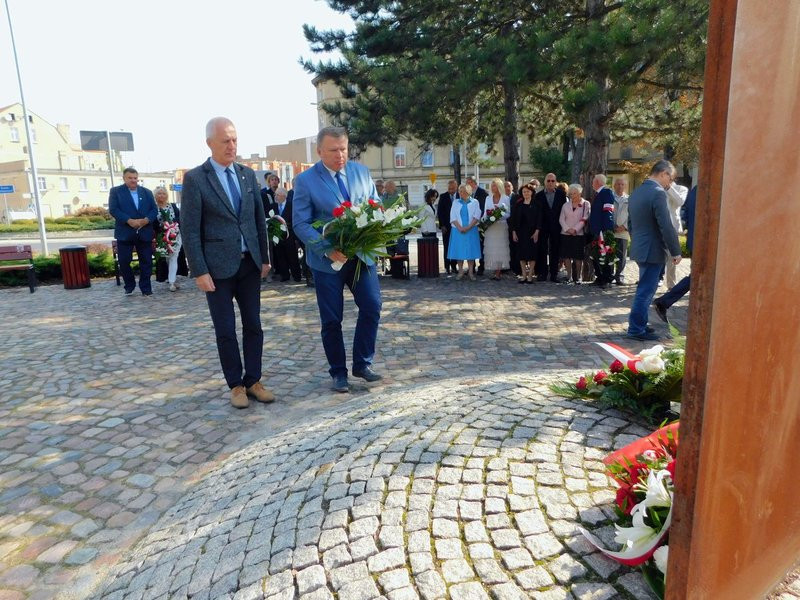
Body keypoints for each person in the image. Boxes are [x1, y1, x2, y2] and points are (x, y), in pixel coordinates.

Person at [181, 117, 274, 408]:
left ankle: (254, 380)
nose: (231, 146)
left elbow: (258, 219)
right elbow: (190, 229)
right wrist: (199, 270)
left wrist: (264, 257)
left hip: (249, 265)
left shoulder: (247, 175)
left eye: (234, 140)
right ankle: (235, 385)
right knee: (225, 329)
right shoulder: (196, 178)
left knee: (254, 325)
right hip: (217, 269)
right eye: (225, 141)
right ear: (210, 143)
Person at [293, 126, 383, 394]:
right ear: (320, 151)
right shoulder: (306, 180)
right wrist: (326, 248)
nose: (340, 155)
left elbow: (375, 204)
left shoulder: (361, 172)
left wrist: (376, 226)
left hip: (361, 257)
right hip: (327, 262)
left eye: (343, 149)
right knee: (332, 319)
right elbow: (300, 222)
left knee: (372, 306)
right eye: (333, 150)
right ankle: (338, 373)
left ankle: (362, 363)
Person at [626, 159, 682, 341]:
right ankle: (636, 329)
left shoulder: (637, 192)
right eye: (670, 179)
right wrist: (675, 251)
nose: (669, 183)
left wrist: (638, 241)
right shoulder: (658, 193)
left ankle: (640, 323)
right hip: (653, 248)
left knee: (645, 288)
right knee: (646, 291)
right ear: (664, 173)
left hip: (641, 247)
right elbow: (665, 225)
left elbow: (630, 223)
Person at [109, 167, 158, 296]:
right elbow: (113, 209)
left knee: (146, 262)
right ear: (124, 178)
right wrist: (128, 220)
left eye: (135, 178)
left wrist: (146, 220)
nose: (133, 180)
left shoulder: (147, 192)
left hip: (144, 232)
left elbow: (154, 210)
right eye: (130, 178)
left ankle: (146, 288)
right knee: (124, 261)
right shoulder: (116, 192)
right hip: (125, 233)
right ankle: (129, 285)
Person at [653, 185, 696, 322]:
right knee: (696, 276)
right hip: (702, 243)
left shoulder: (692, 190)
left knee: (695, 276)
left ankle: (665, 301)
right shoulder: (704, 189)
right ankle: (664, 301)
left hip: (694, 240)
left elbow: (684, 211)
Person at [153, 186, 188, 291]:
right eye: (159, 193)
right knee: (167, 258)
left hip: (175, 235)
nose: (161, 195)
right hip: (162, 236)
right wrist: (162, 225)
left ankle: (172, 281)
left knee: (174, 257)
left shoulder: (172, 206)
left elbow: (179, 217)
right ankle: (170, 278)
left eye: (163, 193)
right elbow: (153, 223)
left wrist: (173, 224)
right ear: (155, 195)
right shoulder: (153, 208)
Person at [534, 173, 567, 282]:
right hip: (543, 226)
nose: (550, 183)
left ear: (555, 182)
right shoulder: (538, 196)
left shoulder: (561, 194)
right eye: (548, 181)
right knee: (542, 250)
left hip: (557, 226)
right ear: (544, 182)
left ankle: (554, 274)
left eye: (552, 181)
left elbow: (564, 211)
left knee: (555, 250)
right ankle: (542, 273)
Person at [447, 183, 482, 281]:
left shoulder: (475, 202)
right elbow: (453, 216)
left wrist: (468, 227)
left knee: (471, 251)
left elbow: (477, 216)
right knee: (460, 251)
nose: (460, 193)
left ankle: (470, 272)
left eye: (463, 191)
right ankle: (460, 271)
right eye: (460, 191)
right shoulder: (456, 202)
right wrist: (460, 228)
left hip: (471, 230)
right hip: (457, 230)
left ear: (468, 192)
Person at [588, 174, 616, 288]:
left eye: (593, 181)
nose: (592, 183)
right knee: (596, 255)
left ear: (598, 182)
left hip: (603, 230)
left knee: (605, 254)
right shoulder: (598, 194)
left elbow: (608, 212)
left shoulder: (606, 193)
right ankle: (599, 277)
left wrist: (606, 231)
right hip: (596, 230)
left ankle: (607, 278)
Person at [269, 186, 302, 282]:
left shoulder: (291, 205)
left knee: (292, 256)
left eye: (277, 195)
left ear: (284, 196)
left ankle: (296, 275)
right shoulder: (273, 206)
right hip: (278, 235)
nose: (275, 197)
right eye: (275, 195)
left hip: (289, 235)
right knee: (280, 256)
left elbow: (295, 219)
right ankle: (285, 275)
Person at [559, 184, 591, 284]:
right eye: (571, 194)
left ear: (580, 193)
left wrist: (575, 229)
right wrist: (568, 229)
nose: (572, 196)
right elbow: (561, 219)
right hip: (565, 233)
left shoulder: (586, 204)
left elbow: (585, 218)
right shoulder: (565, 205)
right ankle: (569, 276)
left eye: (575, 193)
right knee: (566, 256)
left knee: (578, 257)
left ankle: (578, 277)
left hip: (578, 234)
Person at [509, 182, 541, 284]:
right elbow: (513, 219)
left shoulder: (537, 204)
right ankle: (523, 275)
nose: (526, 193)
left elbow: (539, 219)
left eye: (528, 191)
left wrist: (537, 232)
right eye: (524, 192)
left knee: (532, 254)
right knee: (521, 254)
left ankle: (530, 275)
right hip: (521, 233)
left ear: (531, 192)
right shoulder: (518, 204)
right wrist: (514, 232)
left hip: (532, 232)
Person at [482, 178, 511, 280]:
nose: (493, 187)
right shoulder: (488, 198)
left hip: (501, 227)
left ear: (499, 186)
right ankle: (494, 270)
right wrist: (484, 221)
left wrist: (498, 216)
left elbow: (508, 213)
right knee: (492, 249)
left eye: (494, 185)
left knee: (500, 249)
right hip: (491, 228)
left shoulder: (506, 198)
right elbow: (485, 212)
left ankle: (498, 272)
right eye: (492, 186)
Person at [664, 181, 688, 289]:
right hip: (658, 227)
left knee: (672, 258)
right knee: (656, 257)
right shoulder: (657, 188)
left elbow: (680, 201)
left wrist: (669, 188)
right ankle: (655, 281)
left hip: (673, 228)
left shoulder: (681, 188)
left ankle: (671, 284)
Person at [465, 176, 488, 274]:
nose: (467, 185)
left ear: (474, 183)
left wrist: (477, 220)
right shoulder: (467, 194)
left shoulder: (483, 193)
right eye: (466, 183)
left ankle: (481, 267)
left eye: (469, 183)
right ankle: (471, 267)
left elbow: (483, 209)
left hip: (480, 224)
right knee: (471, 246)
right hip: (469, 225)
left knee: (481, 246)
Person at [437, 180, 458, 275]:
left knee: (455, 247)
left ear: (456, 187)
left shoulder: (460, 196)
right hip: (446, 227)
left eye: (453, 188)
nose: (451, 190)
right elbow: (440, 212)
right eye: (449, 188)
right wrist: (442, 225)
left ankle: (454, 266)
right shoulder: (443, 196)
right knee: (447, 247)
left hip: (457, 227)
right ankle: (447, 266)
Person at [612, 177, 630, 285]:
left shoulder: (629, 199)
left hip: (623, 232)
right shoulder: (610, 197)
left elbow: (632, 215)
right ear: (614, 186)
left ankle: (619, 276)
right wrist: (612, 226)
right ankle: (609, 276)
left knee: (622, 256)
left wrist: (624, 226)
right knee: (609, 254)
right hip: (611, 231)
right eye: (618, 184)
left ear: (625, 186)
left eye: (622, 184)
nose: (620, 186)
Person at [505, 181, 521, 276]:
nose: (507, 188)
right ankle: (507, 267)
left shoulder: (518, 197)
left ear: (512, 187)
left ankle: (516, 268)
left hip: (515, 226)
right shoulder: (502, 198)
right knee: (506, 246)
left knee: (515, 247)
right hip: (504, 225)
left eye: (509, 186)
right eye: (505, 186)